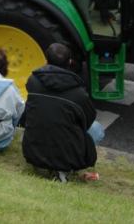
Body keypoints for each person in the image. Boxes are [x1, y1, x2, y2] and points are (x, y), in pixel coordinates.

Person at [22, 43, 103, 178]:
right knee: (97, 129)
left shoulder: (33, 81)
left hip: (32, 151)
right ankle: (65, 165)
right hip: (67, 157)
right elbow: (88, 120)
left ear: (46, 60)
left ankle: (44, 162)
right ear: (70, 62)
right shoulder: (79, 93)